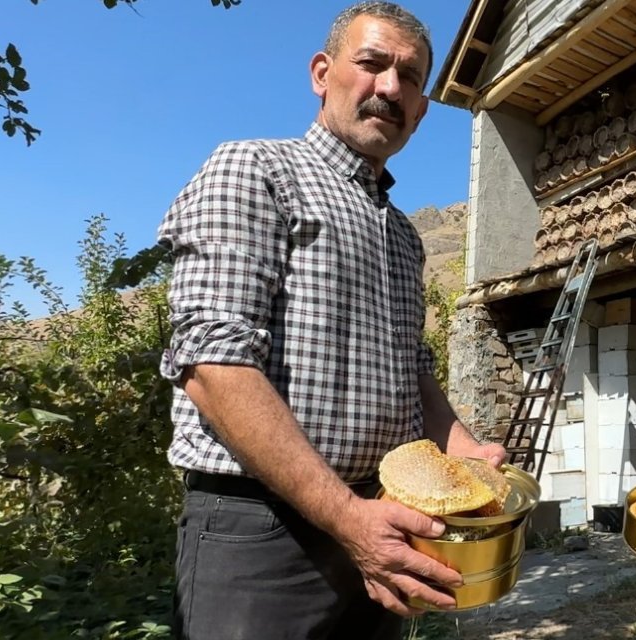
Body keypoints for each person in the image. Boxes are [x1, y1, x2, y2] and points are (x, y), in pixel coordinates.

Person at [157, 3, 504, 638]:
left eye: (410, 77)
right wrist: (347, 516)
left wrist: (466, 452)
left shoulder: (402, 234)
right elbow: (211, 363)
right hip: (263, 536)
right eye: (371, 63)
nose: (390, 87)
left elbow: (413, 373)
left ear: (422, 110)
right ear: (322, 73)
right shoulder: (255, 170)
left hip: (380, 524)